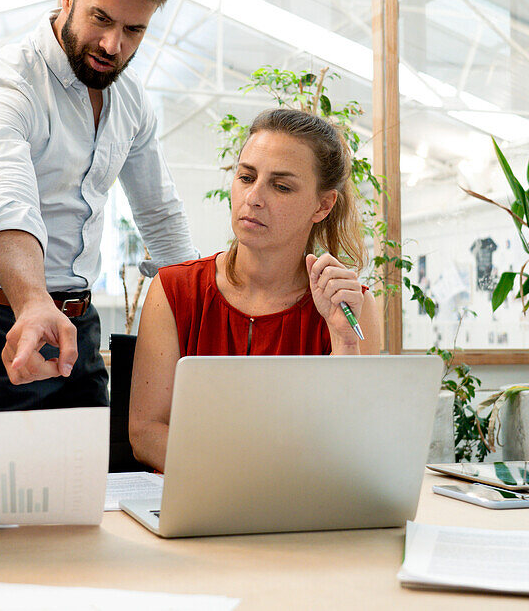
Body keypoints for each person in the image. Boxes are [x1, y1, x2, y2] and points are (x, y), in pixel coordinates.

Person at [0, 0, 197, 412]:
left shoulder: (132, 101)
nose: (113, 45)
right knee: (0, 484)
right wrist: (32, 301)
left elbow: (161, 217)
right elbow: (4, 200)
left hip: (77, 321)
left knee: (92, 477)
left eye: (133, 30)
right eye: (101, 19)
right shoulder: (4, 85)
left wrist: (203, 315)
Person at [129, 108, 383, 472]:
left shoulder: (349, 306)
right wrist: (244, 479)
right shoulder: (173, 289)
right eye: (246, 177)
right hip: (195, 502)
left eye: (281, 186)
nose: (254, 197)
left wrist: (344, 342)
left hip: (297, 516)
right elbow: (145, 433)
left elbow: (354, 446)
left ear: (323, 205)